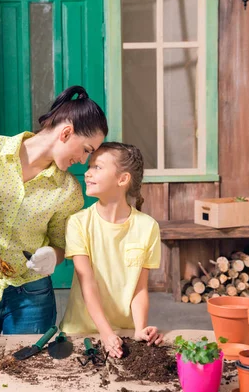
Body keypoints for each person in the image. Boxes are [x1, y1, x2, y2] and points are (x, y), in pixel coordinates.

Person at [0, 85, 108, 335]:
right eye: (86, 150)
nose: (84, 161)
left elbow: (61, 245)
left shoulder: (68, 190)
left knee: (31, 371)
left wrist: (53, 255)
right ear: (66, 132)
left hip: (33, 296)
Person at [59, 142, 164, 357]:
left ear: (123, 179)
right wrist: (105, 334)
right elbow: (86, 282)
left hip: (123, 333)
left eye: (97, 167)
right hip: (80, 333)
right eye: (89, 167)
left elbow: (139, 288)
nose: (87, 173)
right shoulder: (78, 223)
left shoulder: (147, 227)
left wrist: (139, 329)